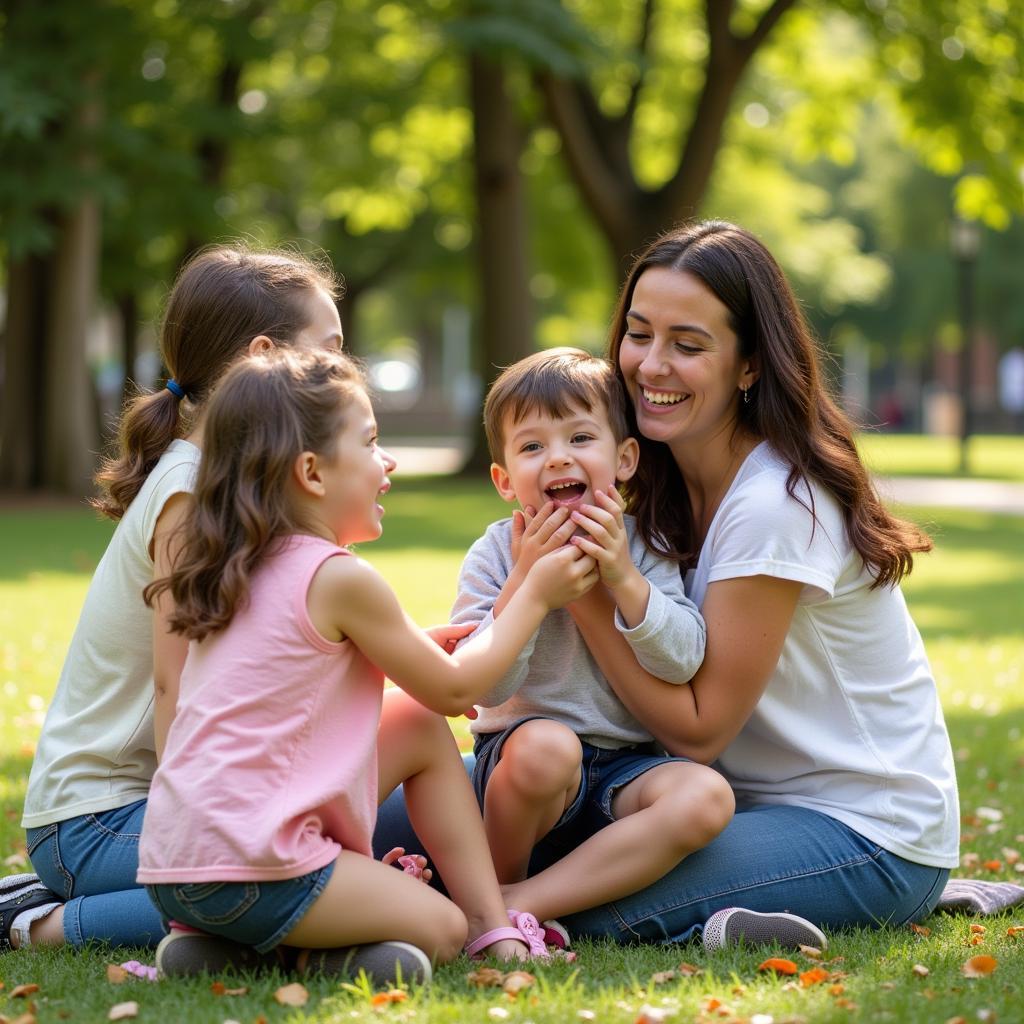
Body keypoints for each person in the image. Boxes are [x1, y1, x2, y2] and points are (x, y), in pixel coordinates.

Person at [375, 221, 958, 950]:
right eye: (639, 334)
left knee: (594, 904)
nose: (652, 365)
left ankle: (489, 913)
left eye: (688, 345)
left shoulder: (775, 502)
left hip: (858, 827)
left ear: (748, 366)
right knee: (382, 820)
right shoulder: (653, 483)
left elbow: (699, 729)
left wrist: (582, 591)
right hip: (634, 780)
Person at [138, 347, 599, 982]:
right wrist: (535, 594)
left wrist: (408, 648)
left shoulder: (235, 565)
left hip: (176, 870)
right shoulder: (339, 578)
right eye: (371, 441)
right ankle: (471, 929)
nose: (389, 463)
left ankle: (222, 950)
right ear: (312, 473)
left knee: (412, 724)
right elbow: (458, 689)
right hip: (259, 865)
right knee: (440, 927)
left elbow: (297, 679)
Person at [6, 244, 345, 953]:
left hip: (134, 809)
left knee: (351, 843)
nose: (345, 373)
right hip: (96, 821)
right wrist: (207, 835)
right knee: (288, 873)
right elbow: (174, 682)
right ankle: (33, 924)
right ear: (263, 354)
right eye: (331, 351)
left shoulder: (223, 478)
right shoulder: (191, 489)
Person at [452, 348, 733, 930]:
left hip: (624, 767)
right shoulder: (495, 554)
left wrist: (625, 580)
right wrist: (527, 587)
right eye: (532, 447)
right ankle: (493, 888)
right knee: (548, 747)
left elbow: (683, 661)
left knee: (706, 796)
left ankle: (504, 907)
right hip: (521, 763)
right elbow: (484, 686)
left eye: (580, 438)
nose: (557, 459)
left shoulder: (645, 545)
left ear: (625, 458)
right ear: (505, 480)